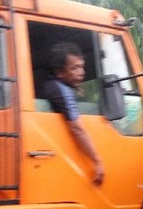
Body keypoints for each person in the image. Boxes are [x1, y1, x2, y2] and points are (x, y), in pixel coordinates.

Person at [37, 42, 104, 185]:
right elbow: (77, 128)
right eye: (75, 68)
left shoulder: (47, 85)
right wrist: (97, 161)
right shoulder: (62, 91)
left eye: (82, 66)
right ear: (59, 72)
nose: (82, 72)